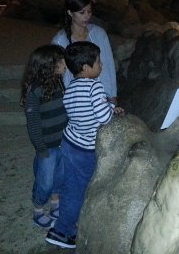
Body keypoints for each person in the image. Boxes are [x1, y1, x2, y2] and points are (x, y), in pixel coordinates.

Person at [46, 41, 124, 249]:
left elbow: (83, 111)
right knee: (78, 190)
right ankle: (62, 231)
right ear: (86, 68)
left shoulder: (71, 87)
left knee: (70, 184)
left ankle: (62, 223)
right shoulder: (94, 86)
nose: (102, 65)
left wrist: (107, 107)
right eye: (98, 62)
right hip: (85, 149)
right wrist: (111, 108)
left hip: (70, 141)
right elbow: (103, 117)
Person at [20, 44, 68, 228]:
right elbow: (33, 124)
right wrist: (40, 147)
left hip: (63, 142)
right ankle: (38, 209)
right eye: (60, 61)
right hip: (47, 146)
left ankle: (55, 203)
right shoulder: (34, 91)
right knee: (45, 181)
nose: (65, 64)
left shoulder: (59, 82)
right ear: (48, 66)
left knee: (60, 176)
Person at [51, 0, 117, 102]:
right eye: (82, 12)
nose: (87, 16)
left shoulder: (99, 33)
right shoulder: (59, 41)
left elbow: (109, 64)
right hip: (76, 99)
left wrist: (112, 94)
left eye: (89, 11)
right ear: (70, 13)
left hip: (102, 95)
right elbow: (59, 73)